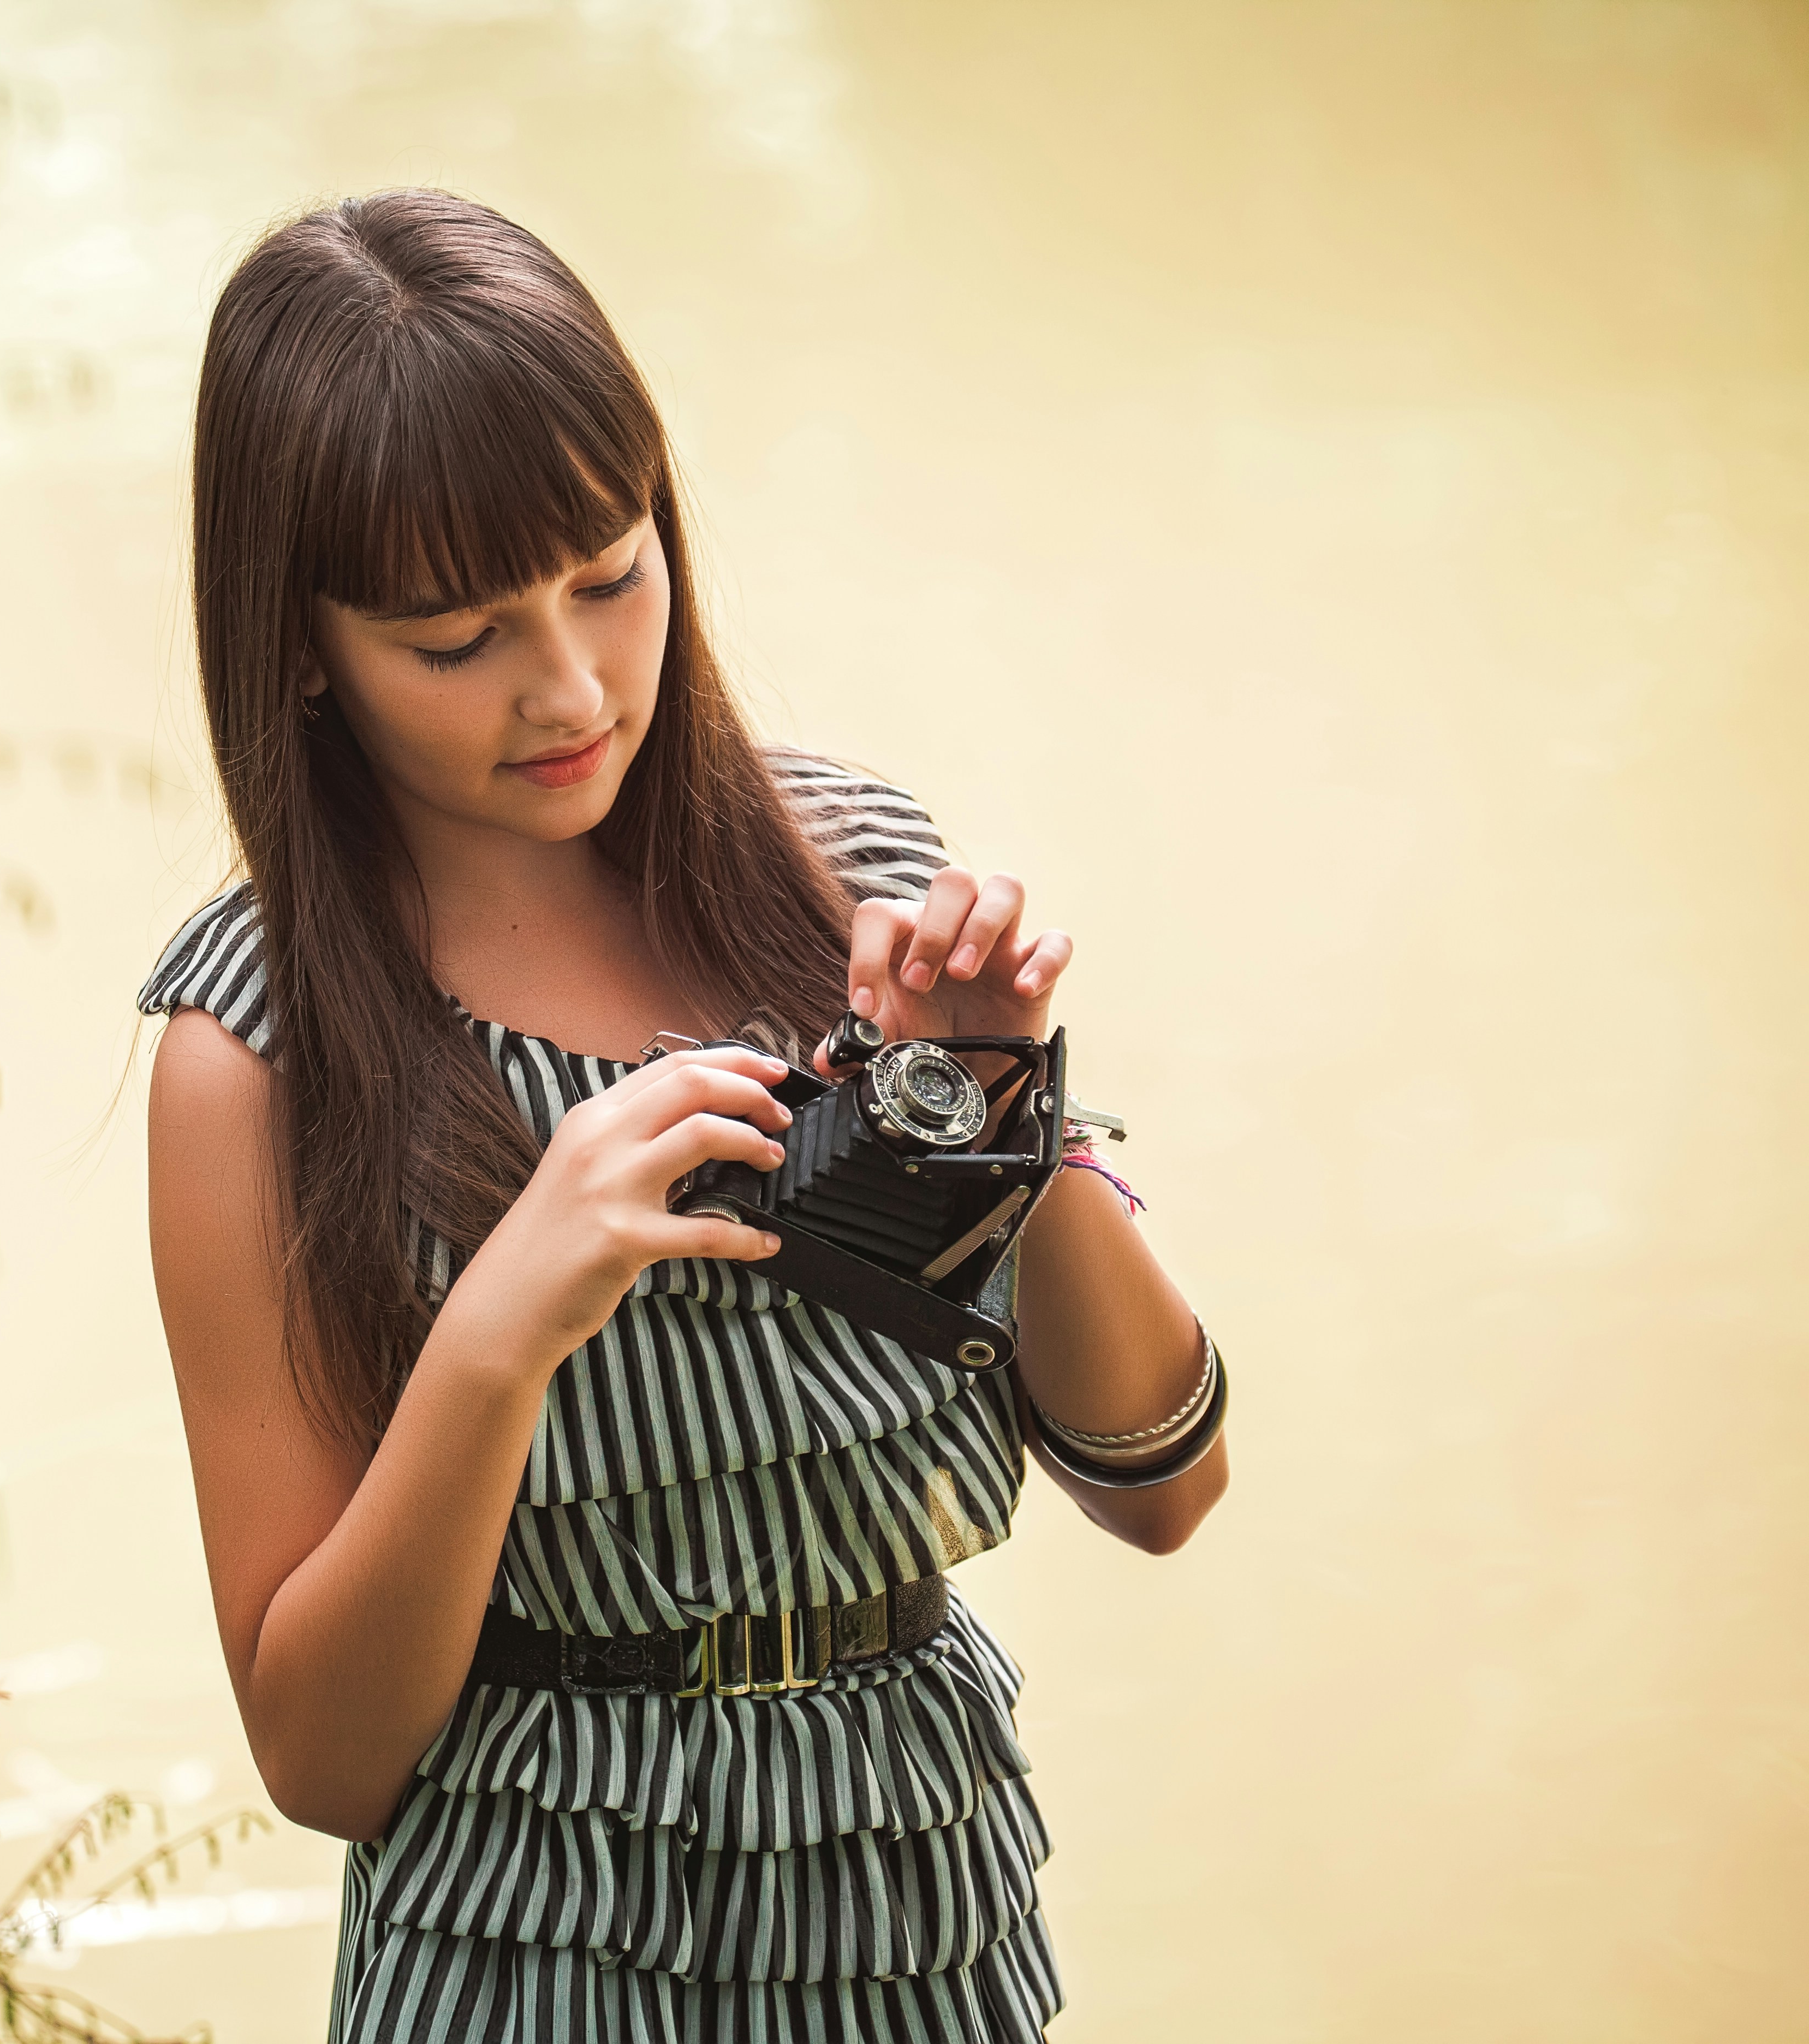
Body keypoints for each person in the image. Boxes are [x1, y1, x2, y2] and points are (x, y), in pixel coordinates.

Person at [139, 189, 1228, 2042]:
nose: (567, 688)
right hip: (530, 1944)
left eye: (610, 573)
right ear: (303, 646)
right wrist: (504, 1322)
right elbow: (320, 1759)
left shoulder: (850, 881)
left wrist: (991, 1114)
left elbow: (1167, 1491)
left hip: (915, 1900)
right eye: (453, 636)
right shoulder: (259, 1051)